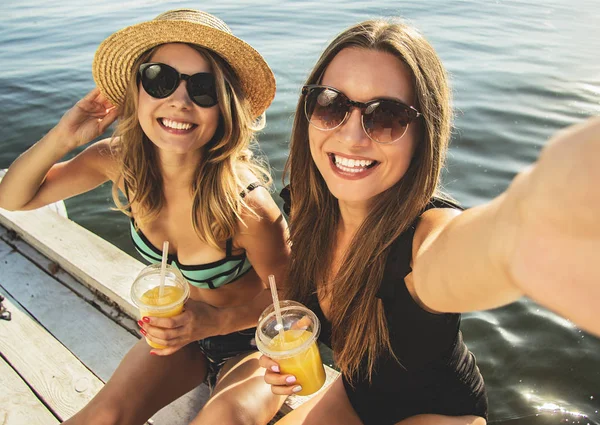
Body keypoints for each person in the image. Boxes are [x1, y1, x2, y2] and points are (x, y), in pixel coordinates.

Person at [258, 18, 600, 425]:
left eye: (387, 116)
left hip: (440, 414)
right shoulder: (305, 206)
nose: (352, 137)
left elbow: (474, 251)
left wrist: (526, 224)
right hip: (356, 394)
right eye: (331, 104)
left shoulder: (424, 236)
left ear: (423, 134)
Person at [0, 9, 290, 425]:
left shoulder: (246, 207)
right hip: (182, 336)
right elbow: (13, 198)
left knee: (222, 419)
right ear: (137, 93)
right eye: (160, 79)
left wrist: (215, 321)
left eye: (204, 88)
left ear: (225, 108)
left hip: (252, 343)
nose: (179, 100)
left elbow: (292, 295)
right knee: (102, 416)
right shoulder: (117, 163)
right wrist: (66, 135)